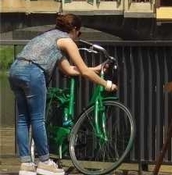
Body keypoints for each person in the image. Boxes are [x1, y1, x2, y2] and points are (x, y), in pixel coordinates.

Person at [8, 14, 118, 175]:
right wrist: (106, 84)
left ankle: (26, 165)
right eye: (79, 34)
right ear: (74, 29)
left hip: (15, 70)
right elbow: (84, 72)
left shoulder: (47, 37)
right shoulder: (66, 40)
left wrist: (97, 68)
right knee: (38, 118)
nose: (78, 37)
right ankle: (45, 162)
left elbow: (70, 69)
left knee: (24, 119)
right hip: (33, 73)